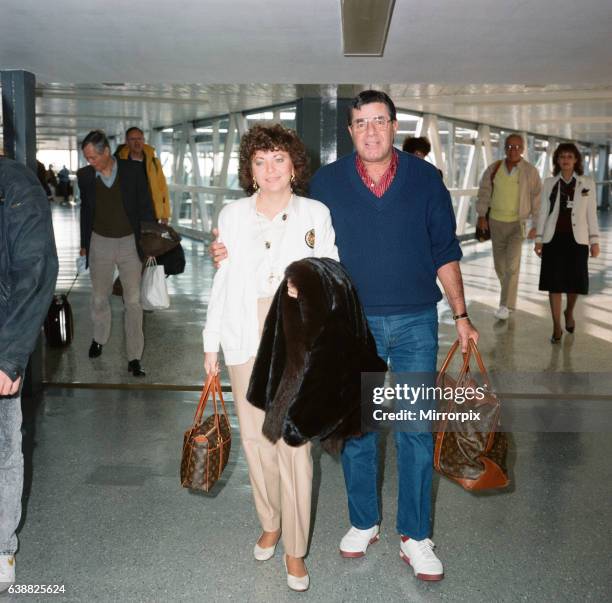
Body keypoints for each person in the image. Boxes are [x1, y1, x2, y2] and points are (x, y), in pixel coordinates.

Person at [212, 91, 479, 582]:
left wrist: (460, 314)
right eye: (361, 123)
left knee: (416, 428)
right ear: (351, 131)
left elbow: (445, 250)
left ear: (394, 126)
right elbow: (293, 234)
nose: (371, 130)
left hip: (417, 319)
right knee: (356, 430)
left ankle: (416, 536)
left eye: (380, 121)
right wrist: (226, 251)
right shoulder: (329, 185)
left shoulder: (426, 181)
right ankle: (363, 521)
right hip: (354, 325)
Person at [203, 124, 338, 592]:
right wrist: (209, 343)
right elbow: (224, 277)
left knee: (293, 444)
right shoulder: (233, 214)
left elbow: (333, 272)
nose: (270, 169)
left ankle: (296, 550)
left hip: (295, 334)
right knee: (258, 441)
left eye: (278, 159)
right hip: (244, 331)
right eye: (260, 161)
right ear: (250, 170)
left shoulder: (314, 213)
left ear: (294, 166)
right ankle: (270, 520)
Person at [0, 156, 58, 592]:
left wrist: (10, 356)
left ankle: (2, 550)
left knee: (3, 452)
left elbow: (36, 272)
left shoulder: (16, 185)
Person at [78, 130, 155, 376]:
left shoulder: (132, 171)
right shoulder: (86, 176)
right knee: (99, 298)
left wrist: (149, 242)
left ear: (106, 152)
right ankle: (99, 338)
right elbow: (85, 212)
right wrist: (84, 244)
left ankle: (134, 357)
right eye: (87, 158)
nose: (90, 163)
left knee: (133, 302)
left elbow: (146, 207)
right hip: (100, 242)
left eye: (93, 158)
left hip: (129, 243)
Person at [534, 143, 600, 342]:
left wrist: (594, 240)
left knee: (574, 284)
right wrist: (539, 239)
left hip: (577, 240)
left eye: (570, 156)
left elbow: (591, 214)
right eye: (562, 156)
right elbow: (543, 212)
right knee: (554, 285)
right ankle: (556, 327)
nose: (566, 160)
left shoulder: (587, 183)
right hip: (553, 239)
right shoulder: (549, 183)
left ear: (576, 160)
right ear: (557, 160)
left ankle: (569, 312)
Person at [476, 134, 541, 320]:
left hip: (517, 224)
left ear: (523, 150)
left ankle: (505, 305)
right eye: (510, 146)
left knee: (512, 265)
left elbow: (537, 201)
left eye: (517, 147)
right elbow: (484, 192)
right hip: (496, 223)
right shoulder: (494, 169)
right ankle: (509, 296)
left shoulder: (530, 172)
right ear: (505, 149)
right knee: (500, 266)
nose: (513, 150)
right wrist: (482, 215)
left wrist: (536, 226)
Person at [115, 127, 170, 224]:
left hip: (150, 215)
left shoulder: (154, 162)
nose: (137, 143)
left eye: (139, 139)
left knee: (151, 239)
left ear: (143, 140)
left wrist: (165, 214)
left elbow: (163, 189)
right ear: (127, 142)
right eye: (132, 139)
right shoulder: (118, 162)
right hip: (126, 216)